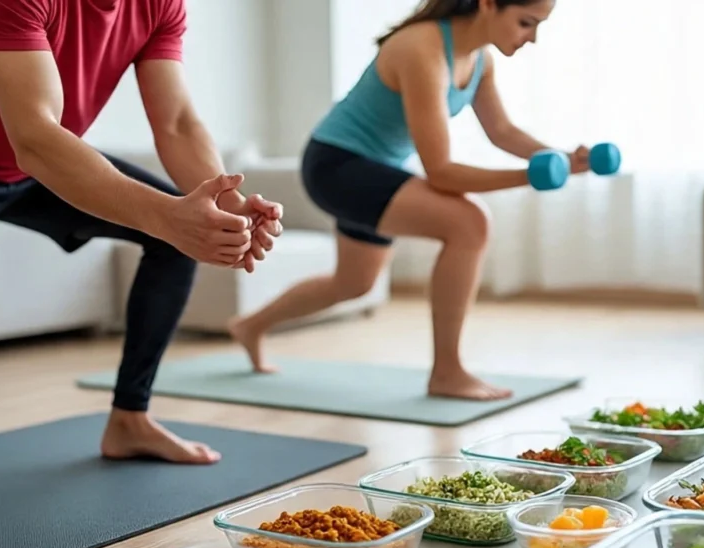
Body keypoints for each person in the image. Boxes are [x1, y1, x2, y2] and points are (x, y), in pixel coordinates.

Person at [0, 0, 283, 530]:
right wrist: (169, 217)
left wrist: (226, 206)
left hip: (30, 165)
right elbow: (35, 134)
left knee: (170, 244)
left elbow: (177, 122)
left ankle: (130, 420)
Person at [229, 0, 588, 400]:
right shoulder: (421, 48)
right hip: (337, 166)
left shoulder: (479, 60)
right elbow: (442, 172)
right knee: (469, 222)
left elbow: (501, 130)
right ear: (488, 4)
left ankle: (250, 326)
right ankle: (447, 372)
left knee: (353, 283)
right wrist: (530, 176)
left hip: (374, 168)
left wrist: (561, 158)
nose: (532, 38)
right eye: (526, 23)